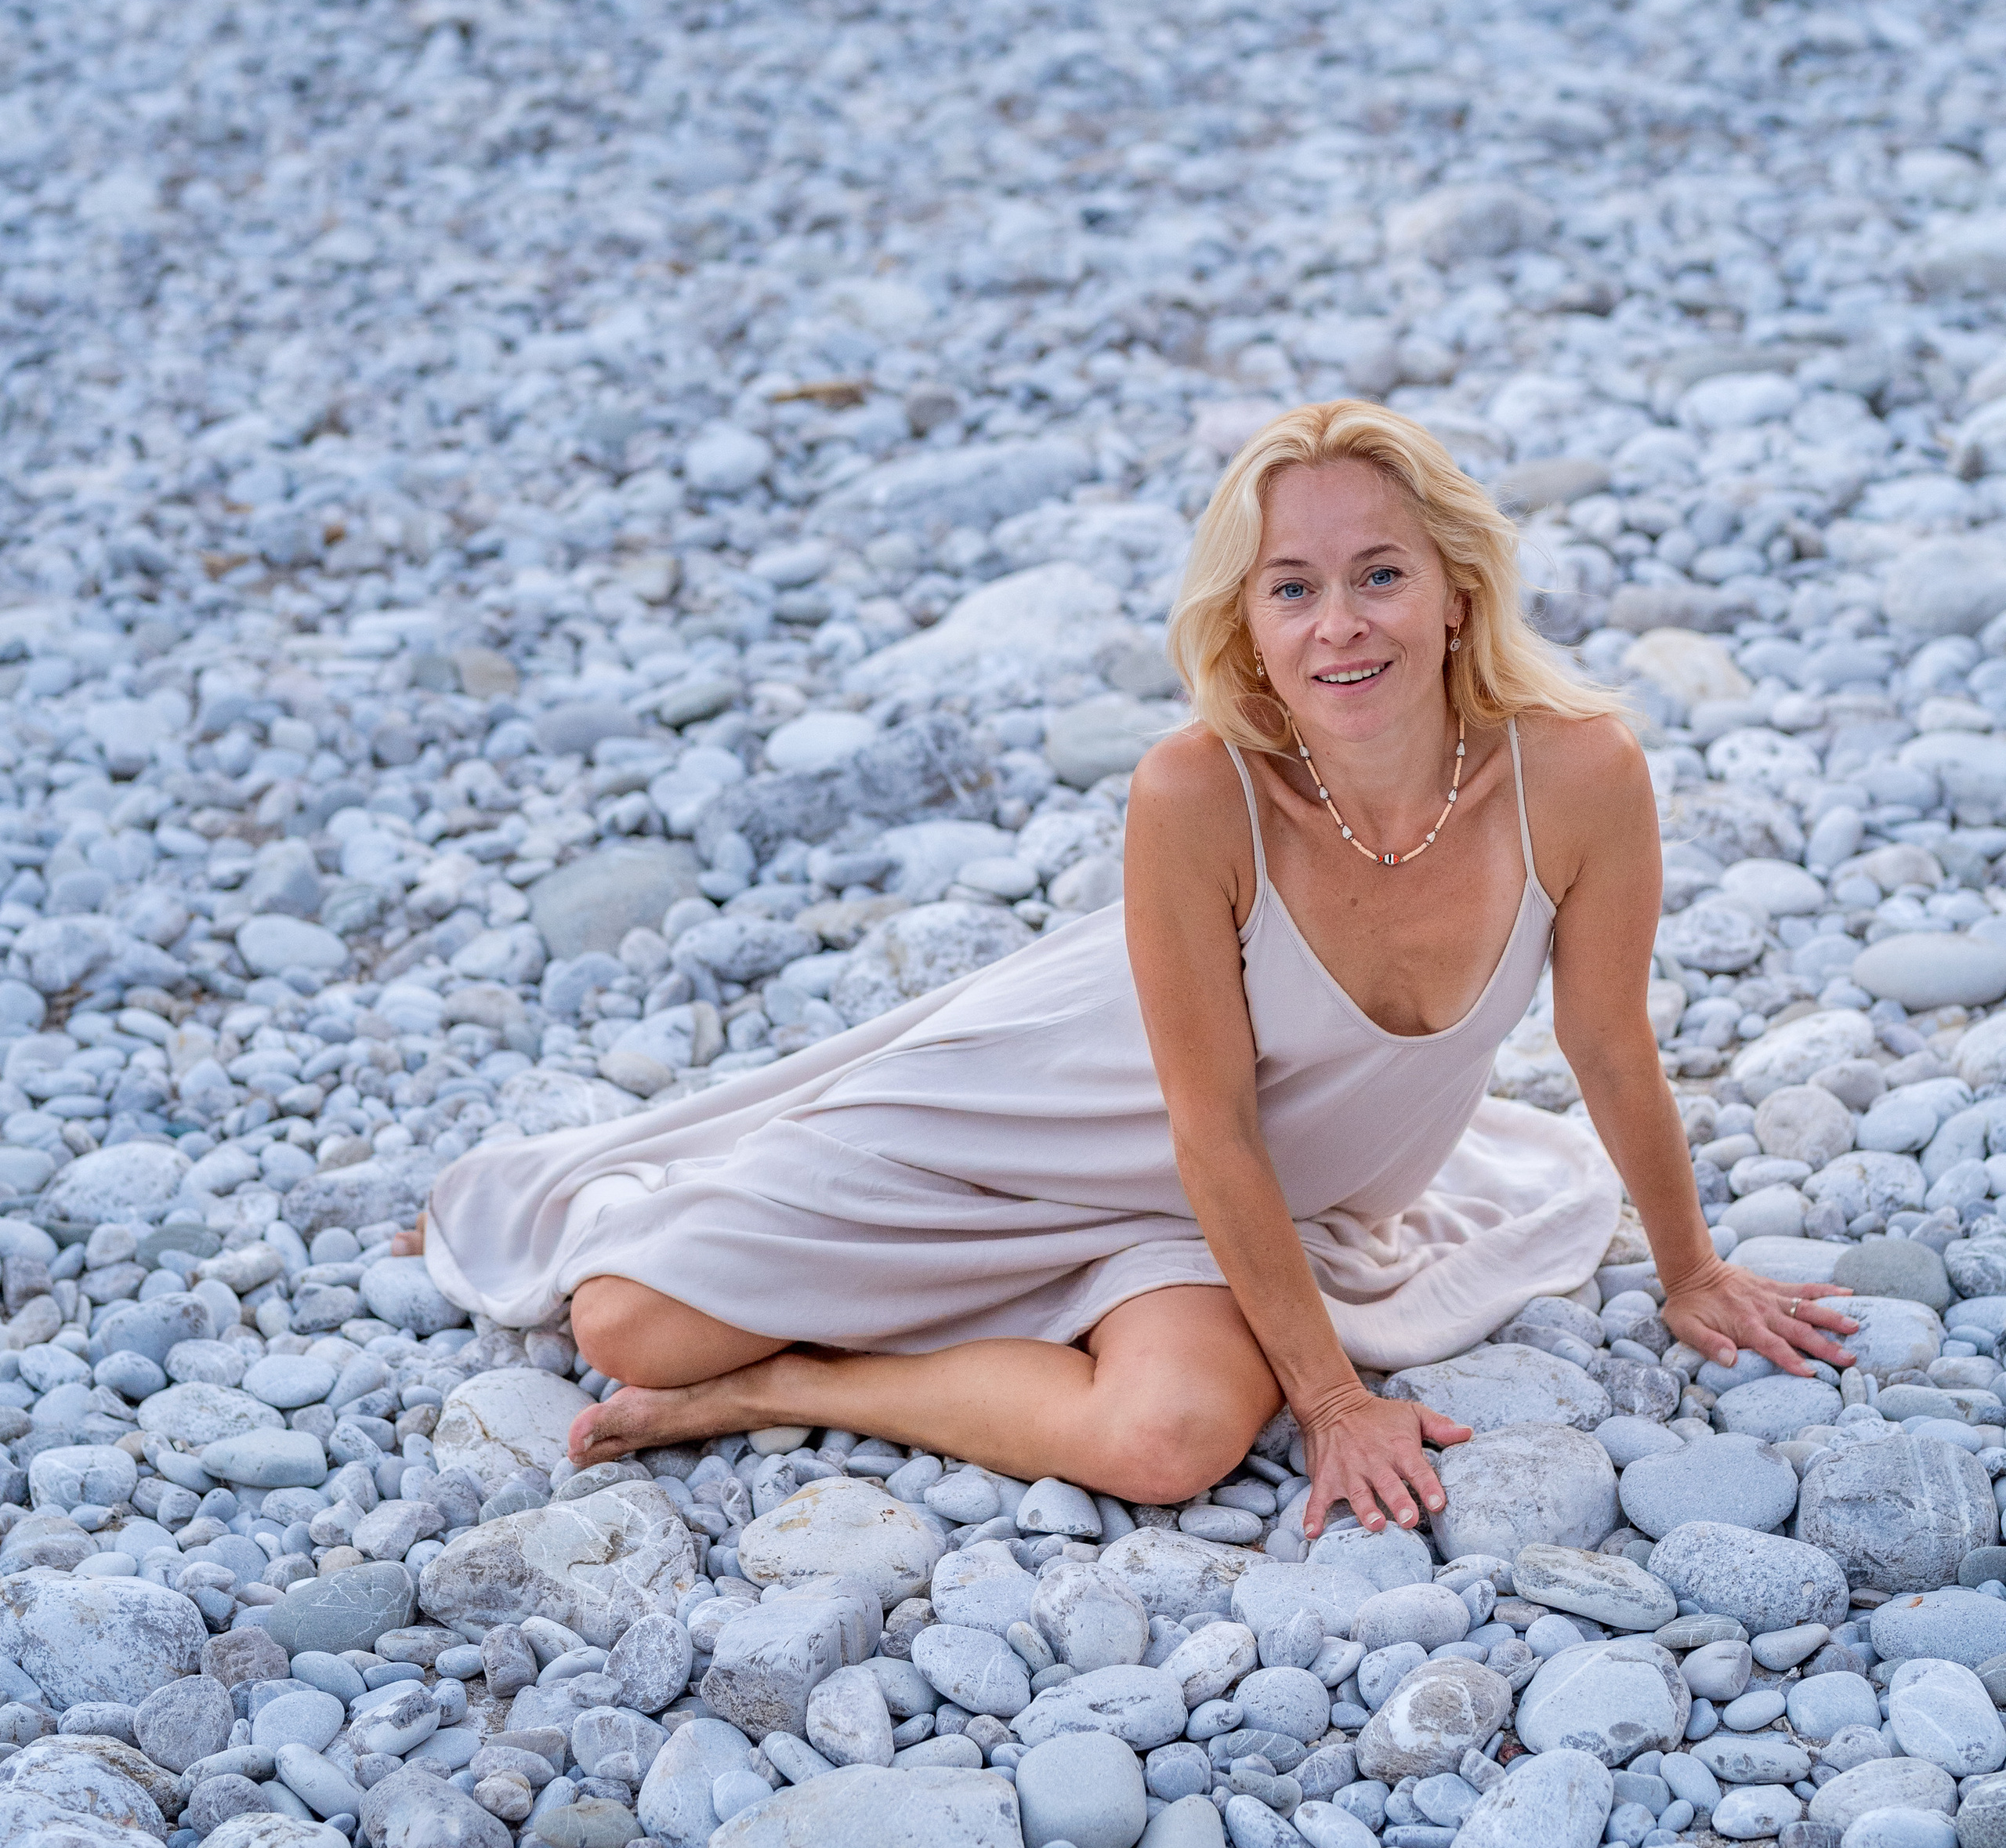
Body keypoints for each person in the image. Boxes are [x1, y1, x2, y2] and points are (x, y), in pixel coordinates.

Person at [409, 398, 1856, 1542]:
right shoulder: (1197, 792)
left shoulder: (1580, 777)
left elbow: (1608, 1042)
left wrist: (1691, 1271)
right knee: (624, 1322)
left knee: (1166, 1446)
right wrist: (1335, 1400)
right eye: (1293, 589)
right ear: (1250, 628)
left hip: (1231, 1211)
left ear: (1460, 594)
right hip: (1028, 1123)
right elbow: (1206, 1117)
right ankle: (694, 1212)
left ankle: (789, 1384)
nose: (1339, 623)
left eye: (1379, 575)